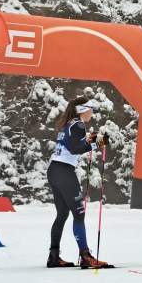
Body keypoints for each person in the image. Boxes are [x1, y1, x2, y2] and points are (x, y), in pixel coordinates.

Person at [46, 96, 110, 268]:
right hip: (64, 172)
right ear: (83, 110)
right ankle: (85, 256)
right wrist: (98, 143)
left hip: (54, 170)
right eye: (91, 109)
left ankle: (53, 256)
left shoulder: (69, 123)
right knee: (79, 214)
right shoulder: (78, 125)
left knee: (62, 215)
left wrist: (93, 140)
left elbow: (73, 144)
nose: (92, 112)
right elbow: (76, 148)